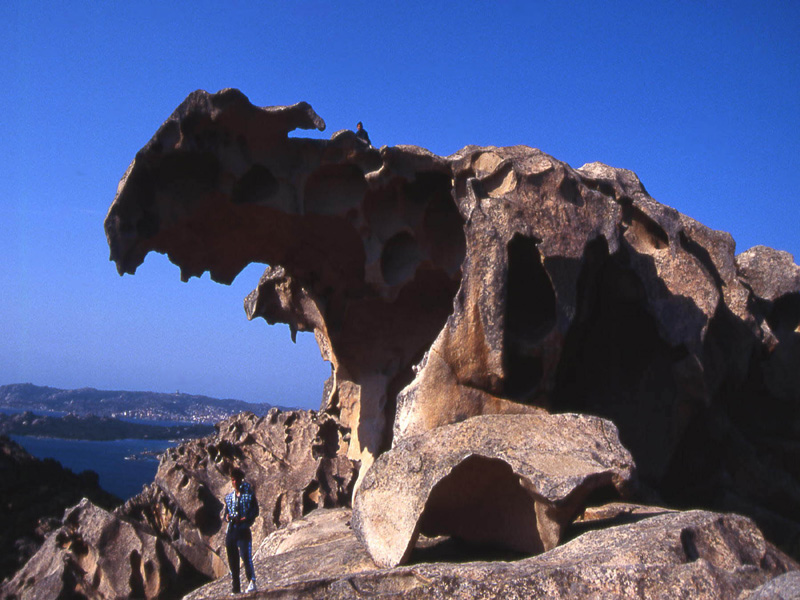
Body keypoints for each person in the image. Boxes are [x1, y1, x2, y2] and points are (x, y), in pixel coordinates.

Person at [222, 467, 259, 594]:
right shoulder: (229, 497)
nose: (234, 482)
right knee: (233, 560)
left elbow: (255, 511)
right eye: (232, 480)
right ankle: (236, 588)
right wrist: (227, 517)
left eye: (236, 480)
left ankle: (251, 581)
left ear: (240, 480)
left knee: (245, 555)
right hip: (232, 530)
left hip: (243, 529)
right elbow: (226, 513)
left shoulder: (249, 495)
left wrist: (244, 518)